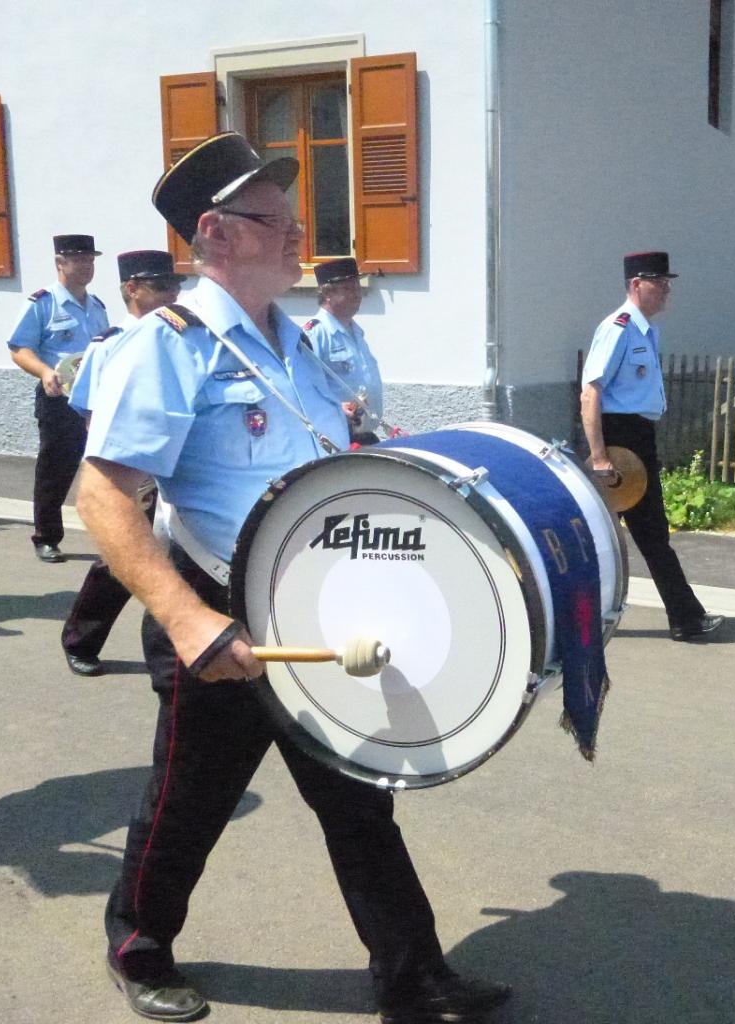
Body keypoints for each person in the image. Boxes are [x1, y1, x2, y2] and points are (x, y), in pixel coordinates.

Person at [76, 132, 510, 1024]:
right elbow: (103, 496)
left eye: (295, 219)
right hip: (220, 613)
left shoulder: (297, 343)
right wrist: (189, 620)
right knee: (188, 804)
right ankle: (138, 943)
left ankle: (411, 976)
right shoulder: (169, 347)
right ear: (217, 233)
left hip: (314, 610)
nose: (299, 236)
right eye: (276, 221)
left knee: (357, 801)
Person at [580, 251, 724, 642]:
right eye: (658, 281)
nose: (666, 289)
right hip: (619, 441)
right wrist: (599, 456)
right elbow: (591, 392)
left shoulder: (644, 330)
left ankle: (682, 616)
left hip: (637, 438)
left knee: (640, 534)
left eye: (667, 281)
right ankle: (686, 618)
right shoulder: (619, 327)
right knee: (631, 534)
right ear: (635, 284)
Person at [61, 250, 184, 677]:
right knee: (120, 559)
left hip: (181, 467)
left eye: (176, 286)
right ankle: (81, 638)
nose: (173, 294)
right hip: (136, 470)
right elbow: (94, 414)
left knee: (190, 558)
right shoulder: (109, 344)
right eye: (162, 286)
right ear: (132, 289)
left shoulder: (184, 336)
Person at [7, 234, 109, 562]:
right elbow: (19, 349)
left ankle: (115, 536)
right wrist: (43, 372)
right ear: (60, 263)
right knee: (56, 469)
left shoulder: (97, 306)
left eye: (91, 260)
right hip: (58, 397)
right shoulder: (43, 303)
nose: (86, 266)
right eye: (78, 259)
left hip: (94, 398)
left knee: (106, 465)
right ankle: (46, 537)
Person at [304, 257, 383, 444]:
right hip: (335, 438)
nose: (357, 294)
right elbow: (304, 389)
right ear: (328, 293)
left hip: (362, 436)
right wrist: (336, 408)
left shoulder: (356, 332)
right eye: (349, 289)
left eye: (358, 288)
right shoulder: (316, 335)